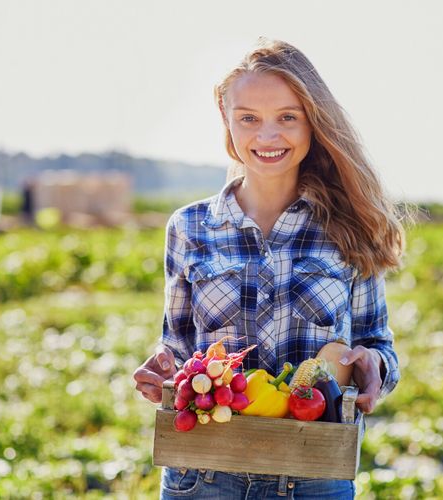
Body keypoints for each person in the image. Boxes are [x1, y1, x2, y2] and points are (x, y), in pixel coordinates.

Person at [133, 38, 406, 499]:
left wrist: (374, 365)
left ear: (312, 122)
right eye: (249, 119)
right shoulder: (190, 226)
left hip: (314, 475)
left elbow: (377, 344)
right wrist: (161, 370)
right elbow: (177, 348)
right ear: (227, 121)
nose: (267, 136)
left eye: (287, 117)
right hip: (203, 474)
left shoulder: (350, 226)